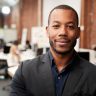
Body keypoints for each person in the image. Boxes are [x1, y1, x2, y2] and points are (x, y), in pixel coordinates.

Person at [9, 5, 96, 96]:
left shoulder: (93, 74)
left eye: (70, 26)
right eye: (56, 26)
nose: (63, 32)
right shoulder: (25, 71)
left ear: (78, 32)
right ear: (47, 31)